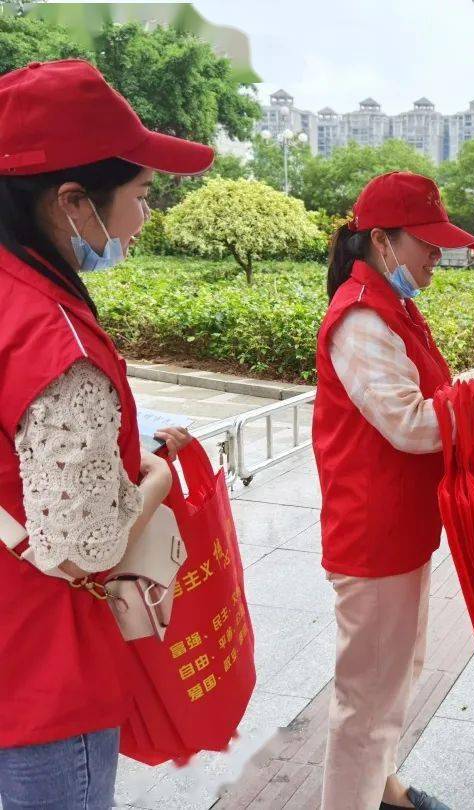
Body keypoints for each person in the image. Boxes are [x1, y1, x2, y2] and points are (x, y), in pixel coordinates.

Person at [313, 171, 474, 810]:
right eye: (426, 244)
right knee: (366, 696)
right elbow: (409, 422)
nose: (439, 255)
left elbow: (433, 400)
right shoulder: (360, 319)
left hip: (400, 527)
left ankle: (382, 784)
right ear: (381, 242)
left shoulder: (391, 305)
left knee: (397, 672)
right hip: (373, 535)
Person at [0, 60, 211, 809]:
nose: (145, 217)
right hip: (45, 669)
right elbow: (86, 544)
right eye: (142, 195)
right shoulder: (55, 342)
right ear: (72, 202)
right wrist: (154, 474)